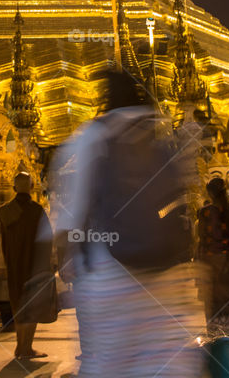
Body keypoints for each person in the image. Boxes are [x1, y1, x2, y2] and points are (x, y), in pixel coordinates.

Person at [54, 70, 202, 378]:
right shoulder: (160, 138)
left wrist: (68, 261)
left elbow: (73, 213)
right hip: (166, 277)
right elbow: (182, 206)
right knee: (165, 364)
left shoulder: (92, 135)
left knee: (108, 364)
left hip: (110, 274)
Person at [0, 171, 57, 359]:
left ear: (14, 188)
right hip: (34, 267)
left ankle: (19, 345)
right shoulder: (37, 211)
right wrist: (50, 265)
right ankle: (26, 347)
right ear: (32, 188)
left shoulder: (4, 212)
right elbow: (47, 241)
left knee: (17, 302)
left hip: (13, 266)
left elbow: (0, 242)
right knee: (31, 305)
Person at [196, 177, 229, 337]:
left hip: (211, 258)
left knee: (213, 296)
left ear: (209, 193)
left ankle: (215, 332)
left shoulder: (205, 211)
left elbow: (201, 236)